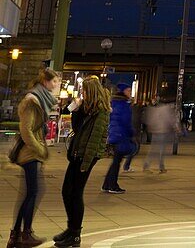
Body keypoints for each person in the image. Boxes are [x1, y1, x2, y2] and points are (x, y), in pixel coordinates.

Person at [7, 66, 61, 248]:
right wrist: (39, 149)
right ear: (45, 82)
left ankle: (17, 235)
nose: (56, 85)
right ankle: (23, 234)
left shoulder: (40, 99)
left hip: (33, 153)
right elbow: (26, 130)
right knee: (33, 193)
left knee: (32, 193)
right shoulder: (33, 101)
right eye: (54, 81)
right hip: (30, 153)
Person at [55, 75, 111, 247]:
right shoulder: (87, 108)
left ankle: (75, 234)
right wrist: (75, 109)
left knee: (75, 193)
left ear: (91, 92)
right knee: (66, 191)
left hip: (86, 157)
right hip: (77, 154)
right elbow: (77, 129)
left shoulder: (101, 112)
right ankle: (71, 229)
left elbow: (94, 141)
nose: (82, 94)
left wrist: (86, 163)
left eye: (85, 91)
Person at [102, 84, 135, 194]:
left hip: (115, 134)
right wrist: (131, 132)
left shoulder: (115, 102)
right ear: (123, 91)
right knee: (116, 161)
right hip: (121, 135)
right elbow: (126, 121)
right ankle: (112, 185)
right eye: (128, 90)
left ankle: (107, 184)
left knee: (116, 161)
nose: (130, 92)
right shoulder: (123, 104)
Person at [143, 98, 177, 173]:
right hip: (163, 132)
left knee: (153, 150)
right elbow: (170, 120)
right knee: (161, 150)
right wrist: (176, 127)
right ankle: (161, 167)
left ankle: (146, 165)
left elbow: (150, 120)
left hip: (155, 131)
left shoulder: (156, 109)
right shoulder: (167, 109)